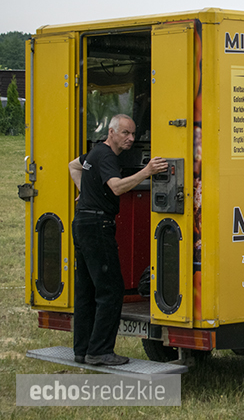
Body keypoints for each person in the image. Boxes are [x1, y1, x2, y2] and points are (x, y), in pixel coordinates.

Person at [67, 114, 168, 366]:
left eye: (133, 134)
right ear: (111, 132)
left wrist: (85, 192)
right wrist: (147, 171)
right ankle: (100, 351)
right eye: (125, 133)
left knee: (86, 290)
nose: (131, 139)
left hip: (82, 223)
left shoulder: (94, 153)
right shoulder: (108, 157)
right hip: (98, 226)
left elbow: (73, 165)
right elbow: (117, 187)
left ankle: (82, 349)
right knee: (111, 290)